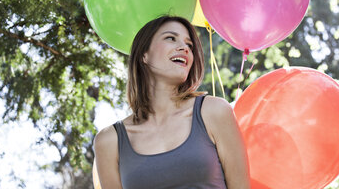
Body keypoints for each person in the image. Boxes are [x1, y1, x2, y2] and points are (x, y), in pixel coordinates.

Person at [94, 15, 250, 189]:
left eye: (189, 45)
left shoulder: (214, 111)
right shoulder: (108, 141)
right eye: (171, 38)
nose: (184, 48)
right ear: (144, 55)